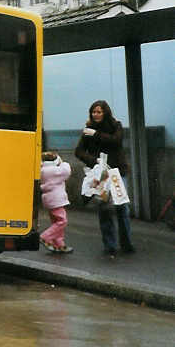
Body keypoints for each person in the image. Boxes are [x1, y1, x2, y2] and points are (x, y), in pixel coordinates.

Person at [75, 100, 136, 258]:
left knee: (122, 207)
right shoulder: (88, 129)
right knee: (104, 208)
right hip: (101, 174)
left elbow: (116, 141)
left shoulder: (116, 126)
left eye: (99, 112)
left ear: (105, 113)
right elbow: (79, 151)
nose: (96, 114)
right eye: (93, 112)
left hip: (117, 172)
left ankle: (127, 243)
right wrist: (93, 160)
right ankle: (110, 245)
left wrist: (96, 134)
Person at [39, 152, 72, 253]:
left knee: (56, 222)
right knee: (62, 221)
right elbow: (67, 171)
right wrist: (61, 161)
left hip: (49, 199)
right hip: (57, 199)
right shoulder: (54, 170)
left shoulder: (42, 170)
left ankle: (59, 244)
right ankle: (45, 236)